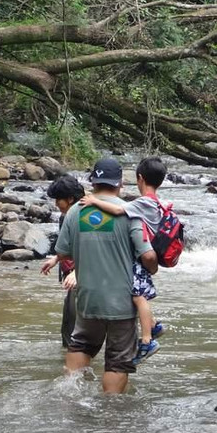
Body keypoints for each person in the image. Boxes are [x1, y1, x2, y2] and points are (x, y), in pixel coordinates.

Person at [54, 157, 158, 394]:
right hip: (121, 302)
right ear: (120, 183)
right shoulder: (130, 212)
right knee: (118, 360)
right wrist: (151, 269)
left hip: (88, 299)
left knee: (80, 345)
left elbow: (62, 251)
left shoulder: (74, 212)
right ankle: (110, 417)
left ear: (93, 182)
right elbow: (148, 256)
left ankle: (69, 400)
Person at [79, 156, 167, 365]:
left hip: (141, 258)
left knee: (138, 297)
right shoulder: (155, 203)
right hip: (146, 255)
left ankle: (147, 340)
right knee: (138, 295)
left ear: (140, 178)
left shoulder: (142, 203)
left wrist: (94, 201)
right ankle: (152, 325)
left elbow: (118, 210)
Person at [40, 174, 86, 347]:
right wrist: (55, 259)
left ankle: (77, 368)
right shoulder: (65, 217)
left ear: (70, 198)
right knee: (68, 329)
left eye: (58, 199)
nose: (55, 204)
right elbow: (70, 247)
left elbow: (92, 248)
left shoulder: (86, 217)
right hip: (74, 277)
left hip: (84, 277)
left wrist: (77, 273)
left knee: (77, 333)